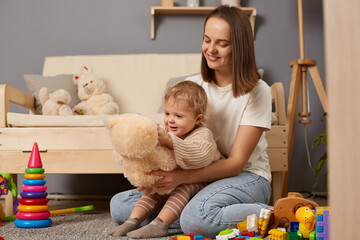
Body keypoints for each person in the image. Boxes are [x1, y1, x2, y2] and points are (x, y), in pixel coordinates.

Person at [110, 5, 272, 238]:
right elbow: (171, 137)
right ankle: (185, 213)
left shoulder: (258, 92)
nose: (211, 49)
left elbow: (236, 163)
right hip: (199, 177)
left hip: (245, 176)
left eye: (222, 43)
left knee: (196, 219)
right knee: (120, 206)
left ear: (240, 47)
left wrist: (179, 178)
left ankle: (270, 213)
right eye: (207, 40)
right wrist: (158, 177)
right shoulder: (194, 85)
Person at [108, 81, 222, 238]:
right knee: (153, 191)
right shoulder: (167, 130)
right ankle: (132, 221)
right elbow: (155, 156)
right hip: (172, 179)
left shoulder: (202, 134)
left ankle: (160, 224)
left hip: (201, 182)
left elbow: (200, 157)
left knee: (182, 189)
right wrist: (147, 177)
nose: (170, 120)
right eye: (167, 113)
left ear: (197, 119)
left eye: (178, 116)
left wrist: (169, 141)